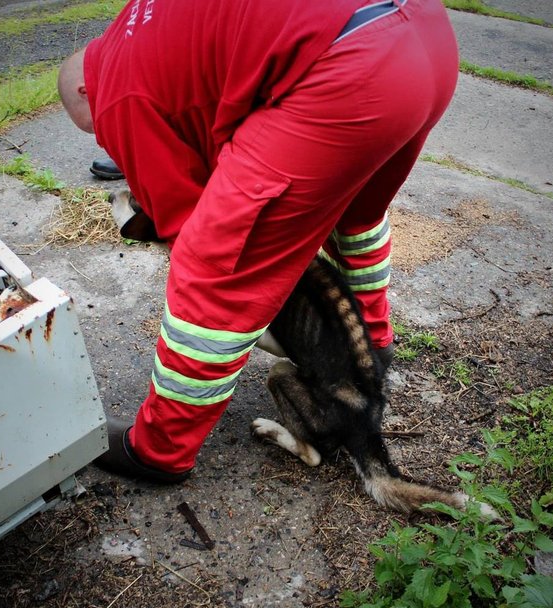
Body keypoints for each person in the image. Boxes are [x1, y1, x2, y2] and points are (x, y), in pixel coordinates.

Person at [58, 0, 459, 483]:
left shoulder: (117, 97)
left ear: (86, 89)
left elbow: (186, 224)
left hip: (346, 69)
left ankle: (159, 450)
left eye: (96, 129)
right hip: (422, 37)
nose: (106, 139)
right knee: (356, 217)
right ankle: (371, 346)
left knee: (212, 268)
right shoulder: (138, 27)